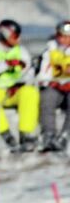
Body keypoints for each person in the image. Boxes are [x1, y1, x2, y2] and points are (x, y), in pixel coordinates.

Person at [0, 18, 42, 151]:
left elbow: (29, 71)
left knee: (30, 93)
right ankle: (5, 134)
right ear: (5, 34)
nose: (18, 39)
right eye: (15, 36)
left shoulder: (20, 51)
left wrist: (20, 82)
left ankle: (26, 134)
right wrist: (7, 64)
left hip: (15, 89)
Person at [37, 19, 70, 153]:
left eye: (66, 36)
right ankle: (49, 135)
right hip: (56, 87)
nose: (63, 39)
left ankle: (65, 135)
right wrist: (53, 83)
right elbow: (42, 75)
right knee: (47, 98)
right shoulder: (49, 50)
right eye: (61, 36)